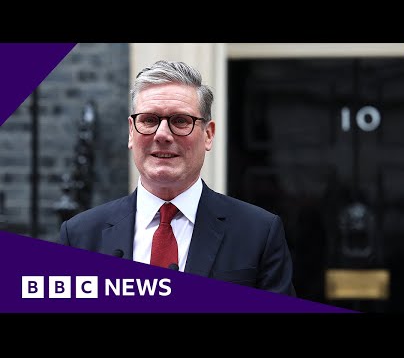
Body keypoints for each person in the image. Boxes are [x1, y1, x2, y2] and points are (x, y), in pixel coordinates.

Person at [59, 60, 296, 296]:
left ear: (208, 135)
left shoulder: (258, 233)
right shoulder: (80, 235)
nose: (162, 135)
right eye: (149, 120)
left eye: (180, 121)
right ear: (132, 132)